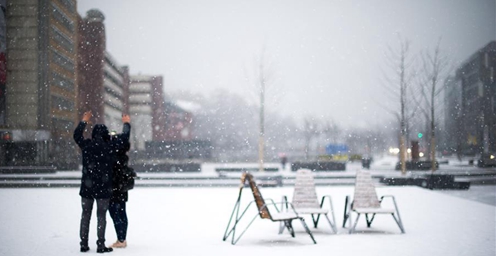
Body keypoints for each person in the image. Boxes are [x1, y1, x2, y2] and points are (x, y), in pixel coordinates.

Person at [73, 111, 131, 253]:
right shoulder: (109, 147)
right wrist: (126, 124)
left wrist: (84, 121)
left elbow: (77, 136)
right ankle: (100, 245)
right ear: (106, 135)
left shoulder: (87, 145)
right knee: (101, 216)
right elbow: (124, 139)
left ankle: (84, 244)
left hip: (87, 187)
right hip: (103, 188)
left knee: (85, 215)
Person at [108, 124, 133, 249]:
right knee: (122, 212)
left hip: (113, 186)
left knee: (114, 212)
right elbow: (124, 139)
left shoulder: (111, 153)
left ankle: (121, 239)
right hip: (122, 186)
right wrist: (126, 125)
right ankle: (122, 238)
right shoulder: (123, 154)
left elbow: (122, 140)